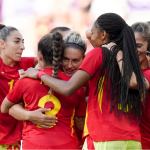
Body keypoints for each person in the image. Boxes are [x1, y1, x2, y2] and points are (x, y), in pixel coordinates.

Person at [16, 13, 149, 150]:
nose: (90, 35)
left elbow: (68, 88)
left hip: (103, 137)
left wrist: (38, 74)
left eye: (93, 31)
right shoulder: (128, 57)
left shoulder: (98, 53)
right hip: (132, 139)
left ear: (103, 34)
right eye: (66, 59)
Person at [1, 32, 87, 149]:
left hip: (34, 145)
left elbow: (5, 108)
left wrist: (29, 115)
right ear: (61, 57)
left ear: (39, 57)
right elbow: (79, 122)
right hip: (67, 144)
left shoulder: (25, 81)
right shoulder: (75, 86)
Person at [0, 24, 38, 149]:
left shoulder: (26, 63)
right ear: (2, 44)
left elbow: (48, 58)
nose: (22, 47)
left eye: (23, 42)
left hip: (14, 137)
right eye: (17, 42)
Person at [131, 22, 150, 149]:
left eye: (138, 46)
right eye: (131, 45)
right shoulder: (124, 71)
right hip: (128, 141)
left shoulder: (147, 74)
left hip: (145, 142)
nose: (134, 50)